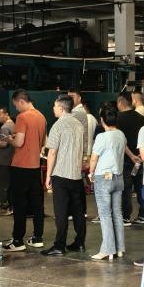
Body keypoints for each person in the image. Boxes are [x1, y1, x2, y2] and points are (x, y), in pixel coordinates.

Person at [42, 94, 88, 256]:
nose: (53, 109)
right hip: (76, 175)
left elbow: (52, 152)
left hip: (61, 174)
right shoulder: (79, 125)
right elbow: (83, 148)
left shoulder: (58, 125)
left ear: (61, 108)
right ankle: (80, 242)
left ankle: (59, 246)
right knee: (78, 211)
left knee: (61, 212)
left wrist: (48, 176)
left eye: (55, 106)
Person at [3, 90, 46, 252]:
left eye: (16, 105)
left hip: (21, 166)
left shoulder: (22, 117)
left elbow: (19, 143)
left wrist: (10, 139)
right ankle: (37, 237)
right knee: (37, 204)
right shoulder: (41, 117)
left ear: (21, 101)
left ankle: (18, 240)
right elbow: (42, 141)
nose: (16, 109)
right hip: (35, 166)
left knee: (19, 204)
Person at [88, 103, 126, 260]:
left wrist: (90, 173)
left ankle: (108, 249)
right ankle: (120, 248)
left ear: (102, 120)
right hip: (118, 177)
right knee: (117, 213)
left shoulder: (102, 137)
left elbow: (94, 158)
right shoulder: (121, 134)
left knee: (105, 214)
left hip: (103, 178)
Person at [115, 93, 144, 226]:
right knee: (140, 188)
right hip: (139, 158)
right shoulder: (141, 118)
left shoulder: (117, 119)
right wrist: (140, 155)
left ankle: (126, 217)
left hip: (125, 159)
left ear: (120, 103)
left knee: (126, 189)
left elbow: (119, 140)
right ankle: (143, 215)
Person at [0, 106, 15, 214]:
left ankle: (5, 207)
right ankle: (10, 206)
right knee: (8, 185)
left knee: (1, 185)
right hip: (10, 160)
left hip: (3, 161)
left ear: (6, 114)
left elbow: (3, 144)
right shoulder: (13, 125)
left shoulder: (4, 128)